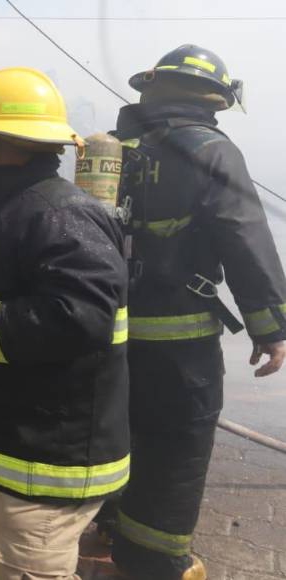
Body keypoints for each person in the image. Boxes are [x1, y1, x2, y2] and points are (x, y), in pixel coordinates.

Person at [0, 67, 130, 580]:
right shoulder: (17, 211)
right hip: (14, 454)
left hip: (46, 464)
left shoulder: (60, 214)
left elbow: (80, 318)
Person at [109, 45, 286, 580]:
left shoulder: (108, 149)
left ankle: (106, 527)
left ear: (152, 88)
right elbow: (244, 237)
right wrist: (272, 327)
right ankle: (157, 562)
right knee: (176, 447)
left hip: (102, 333)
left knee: (118, 432)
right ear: (216, 98)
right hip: (178, 344)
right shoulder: (212, 151)